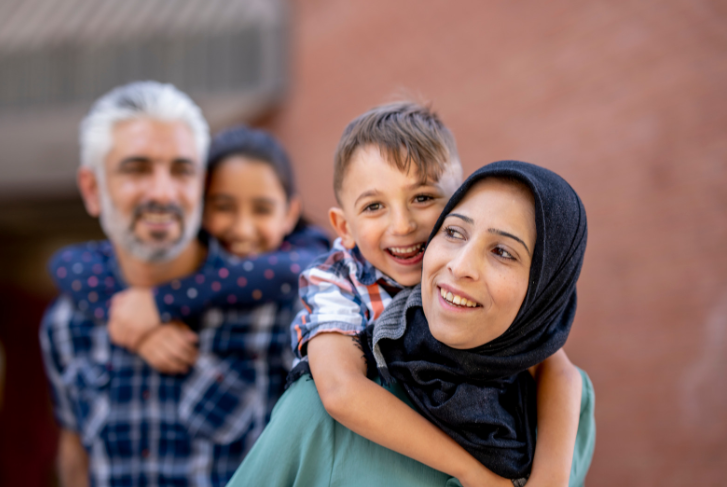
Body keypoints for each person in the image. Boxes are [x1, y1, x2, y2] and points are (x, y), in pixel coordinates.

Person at [228, 160, 595, 487]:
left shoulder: (569, 410)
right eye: (454, 232)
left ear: (547, 291)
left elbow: (561, 370)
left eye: (502, 251)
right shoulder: (317, 412)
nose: (460, 266)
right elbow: (340, 392)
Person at [40, 82, 327, 487]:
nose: (162, 192)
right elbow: (75, 457)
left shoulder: (285, 311)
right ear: (92, 190)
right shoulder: (66, 323)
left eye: (182, 170)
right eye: (136, 169)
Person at [49, 125, 329, 374]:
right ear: (199, 206)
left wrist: (160, 303)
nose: (243, 229)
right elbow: (67, 262)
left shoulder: (309, 257)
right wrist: (131, 324)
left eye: (262, 209)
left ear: (291, 212)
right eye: (223, 207)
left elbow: (288, 270)